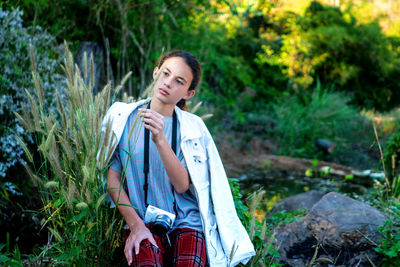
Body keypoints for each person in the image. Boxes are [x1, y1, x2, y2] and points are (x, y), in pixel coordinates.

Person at [101, 50, 254, 266]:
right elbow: (113, 181)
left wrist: (160, 139)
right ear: (156, 73)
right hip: (142, 221)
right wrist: (135, 225)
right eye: (166, 74)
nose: (168, 83)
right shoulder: (123, 118)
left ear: (188, 94)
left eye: (179, 81)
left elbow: (182, 186)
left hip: (186, 222)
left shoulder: (192, 128)